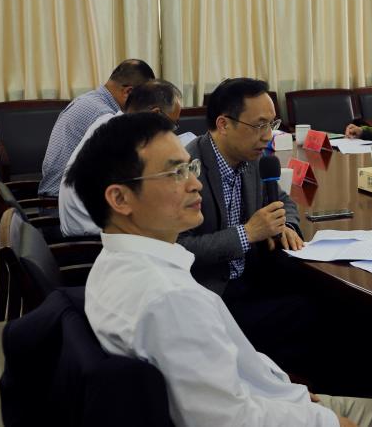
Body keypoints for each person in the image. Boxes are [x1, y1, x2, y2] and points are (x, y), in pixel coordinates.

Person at [65, 113, 372, 427]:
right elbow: (228, 419)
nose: (194, 184)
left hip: (260, 395)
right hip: (254, 411)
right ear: (120, 199)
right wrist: (329, 422)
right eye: (175, 173)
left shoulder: (110, 264)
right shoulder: (170, 299)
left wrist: (281, 386)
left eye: (190, 168)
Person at [180, 78, 311, 373]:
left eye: (272, 124)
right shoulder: (188, 169)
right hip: (213, 295)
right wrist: (248, 233)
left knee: (324, 295)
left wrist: (285, 224)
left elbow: (282, 199)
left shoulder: (252, 157)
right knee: (308, 312)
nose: (268, 136)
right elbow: (178, 247)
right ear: (224, 124)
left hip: (254, 273)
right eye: (259, 125)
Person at [58, 79, 182, 236]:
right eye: (172, 125)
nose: (171, 132)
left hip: (83, 223)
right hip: (92, 235)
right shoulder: (126, 140)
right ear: (155, 114)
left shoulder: (109, 122)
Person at [39, 59, 155, 196]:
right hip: (62, 201)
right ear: (128, 92)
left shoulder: (89, 100)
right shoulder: (104, 116)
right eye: (145, 98)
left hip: (57, 194)